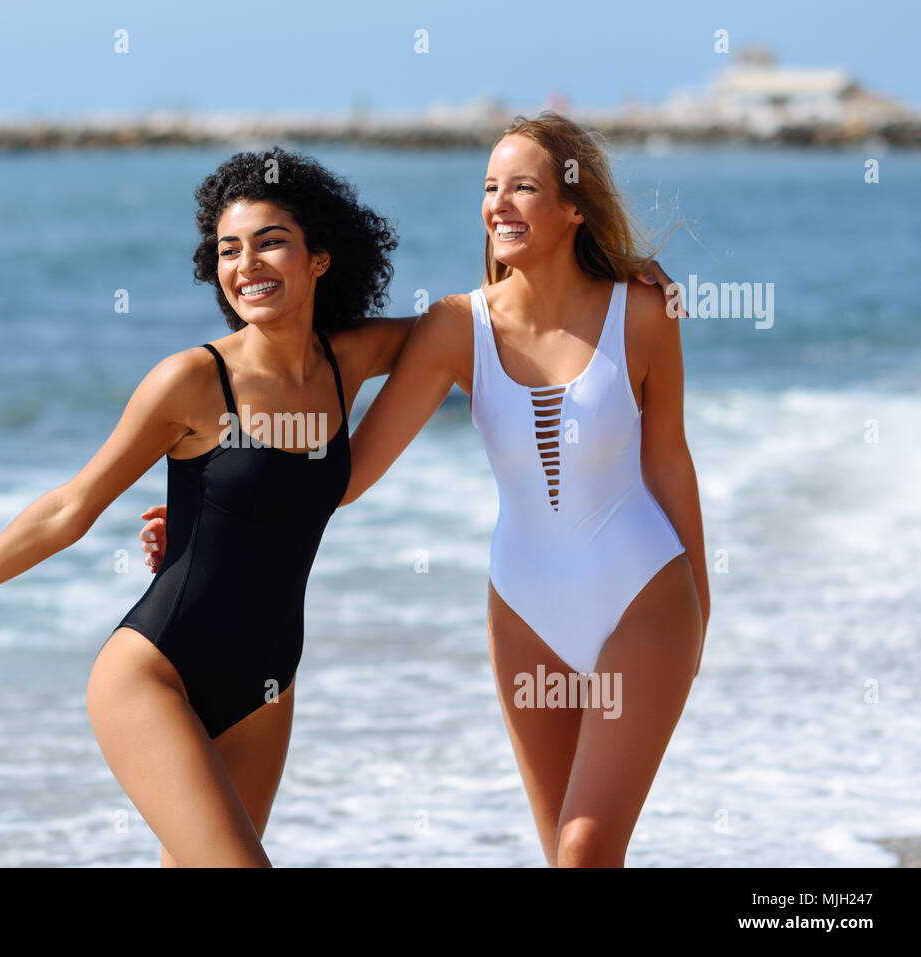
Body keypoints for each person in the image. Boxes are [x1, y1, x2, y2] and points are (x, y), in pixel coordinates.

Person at [139, 113, 706, 866]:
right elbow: (343, 475)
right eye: (489, 187)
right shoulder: (454, 327)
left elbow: (669, 461)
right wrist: (209, 516)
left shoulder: (641, 313)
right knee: (559, 850)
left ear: (574, 206)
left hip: (646, 592)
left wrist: (701, 602)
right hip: (525, 608)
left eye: (523, 187)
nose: (498, 203)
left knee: (587, 849)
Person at [0, 146, 416, 866]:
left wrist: (598, 274)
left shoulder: (351, 359)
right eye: (228, 249)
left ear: (319, 258)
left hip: (267, 686)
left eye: (271, 241)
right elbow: (71, 505)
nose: (246, 263)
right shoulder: (193, 379)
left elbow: (481, 325)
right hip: (155, 674)